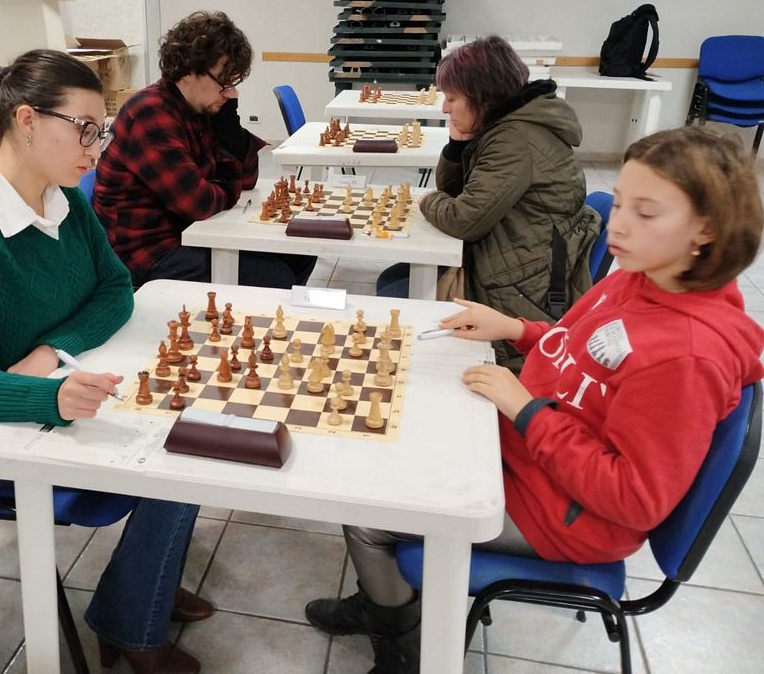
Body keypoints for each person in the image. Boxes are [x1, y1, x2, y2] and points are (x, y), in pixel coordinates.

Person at [308, 127, 764, 674]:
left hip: (567, 516)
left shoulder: (687, 357)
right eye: (620, 202)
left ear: (706, 230)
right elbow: (580, 353)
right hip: (529, 461)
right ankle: (389, 600)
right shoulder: (642, 278)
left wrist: (526, 410)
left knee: (363, 511)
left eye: (646, 212)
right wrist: (517, 330)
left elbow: (635, 499)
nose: (617, 224)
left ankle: (401, 647)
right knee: (391, 428)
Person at [0, 49, 207, 674]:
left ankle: (143, 586)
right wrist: (44, 394)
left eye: (101, 131)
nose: (96, 150)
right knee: (177, 453)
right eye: (84, 129)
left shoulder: (64, 202)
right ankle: (135, 618)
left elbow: (116, 290)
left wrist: (49, 353)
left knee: (193, 419)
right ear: (27, 121)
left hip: (58, 382)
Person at [376, 36, 600, 370]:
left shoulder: (514, 140)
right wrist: (457, 146)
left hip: (520, 289)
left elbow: (462, 219)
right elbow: (457, 192)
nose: (444, 108)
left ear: (481, 97)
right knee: (394, 278)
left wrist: (426, 200)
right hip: (514, 260)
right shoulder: (506, 126)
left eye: (452, 98)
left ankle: (419, 380)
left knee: (396, 295)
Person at [93, 10, 316, 289]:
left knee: (301, 252)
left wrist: (229, 127)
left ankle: (254, 310)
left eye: (233, 83)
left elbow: (247, 180)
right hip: (144, 252)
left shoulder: (200, 108)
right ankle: (237, 313)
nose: (230, 92)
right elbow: (198, 203)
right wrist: (228, 187)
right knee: (273, 277)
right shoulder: (151, 113)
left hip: (188, 231)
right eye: (224, 81)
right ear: (189, 70)